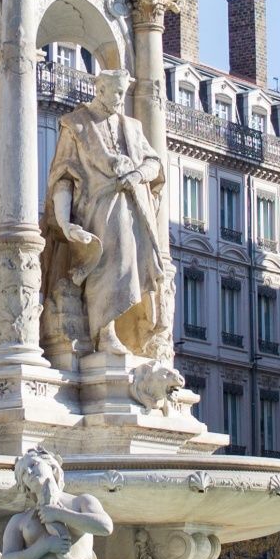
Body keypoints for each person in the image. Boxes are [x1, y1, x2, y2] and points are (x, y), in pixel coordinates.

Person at [44, 68, 171, 356]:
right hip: (95, 206)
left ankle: (119, 330)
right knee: (111, 257)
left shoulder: (133, 127)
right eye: (115, 92)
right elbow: (63, 177)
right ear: (99, 90)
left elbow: (155, 165)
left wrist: (138, 175)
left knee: (128, 260)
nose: (119, 98)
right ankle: (105, 331)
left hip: (132, 206)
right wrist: (64, 222)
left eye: (123, 92)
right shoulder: (76, 125)